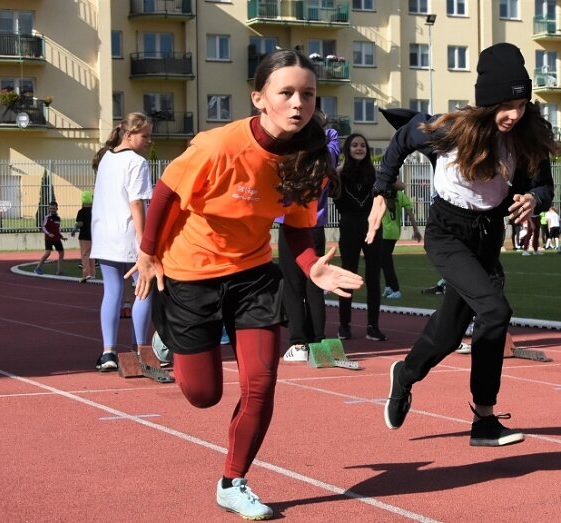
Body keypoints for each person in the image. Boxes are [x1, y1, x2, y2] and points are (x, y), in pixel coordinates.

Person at [130, 50, 363, 520]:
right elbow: (165, 195)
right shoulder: (218, 146)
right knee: (203, 396)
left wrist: (312, 266)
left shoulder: (309, 158)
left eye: (309, 94)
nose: (299, 103)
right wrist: (149, 251)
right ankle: (170, 336)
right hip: (191, 275)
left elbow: (297, 227)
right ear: (259, 98)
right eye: (287, 93)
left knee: (261, 385)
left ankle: (232, 482)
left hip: (254, 275)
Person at [366, 43, 556, 446]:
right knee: (495, 310)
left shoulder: (527, 136)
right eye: (506, 105)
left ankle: (406, 374)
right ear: (487, 103)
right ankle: (484, 420)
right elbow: (401, 139)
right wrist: (381, 192)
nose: (514, 115)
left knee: (450, 331)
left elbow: (544, 185)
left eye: (522, 104)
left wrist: (534, 199)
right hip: (447, 231)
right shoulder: (453, 129)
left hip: (488, 233)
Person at [90, 112, 155, 372]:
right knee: (143, 289)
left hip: (104, 235)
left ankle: (108, 352)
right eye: (145, 136)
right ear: (129, 135)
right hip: (128, 235)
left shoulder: (106, 157)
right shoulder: (136, 162)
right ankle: (140, 350)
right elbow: (137, 202)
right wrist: (145, 242)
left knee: (112, 292)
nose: (149, 141)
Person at [280, 121, 341, 363]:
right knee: (314, 286)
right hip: (315, 227)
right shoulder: (327, 156)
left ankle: (298, 343)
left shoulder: (291, 155)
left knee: (293, 287)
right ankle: (319, 342)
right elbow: (333, 139)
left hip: (293, 226)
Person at [333, 132, 387, 341]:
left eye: (362, 146)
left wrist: (384, 177)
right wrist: (337, 171)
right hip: (349, 226)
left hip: (373, 226)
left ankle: (373, 326)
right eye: (354, 145)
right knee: (348, 275)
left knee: (374, 277)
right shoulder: (339, 174)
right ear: (348, 149)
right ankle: (344, 325)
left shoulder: (374, 174)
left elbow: (398, 185)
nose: (359, 148)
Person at [381, 179, 422, 299]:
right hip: (394, 233)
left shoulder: (381, 194)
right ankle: (389, 287)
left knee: (386, 263)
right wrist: (415, 230)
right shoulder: (401, 195)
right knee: (383, 261)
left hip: (384, 233)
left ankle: (395, 289)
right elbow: (410, 213)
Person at [33, 200, 65, 275]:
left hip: (56, 239)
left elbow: (57, 229)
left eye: (53, 208)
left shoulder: (58, 218)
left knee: (61, 253)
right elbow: (43, 227)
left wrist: (61, 237)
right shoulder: (47, 217)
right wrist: (48, 234)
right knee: (48, 253)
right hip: (49, 239)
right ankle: (37, 268)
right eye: (50, 208)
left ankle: (59, 271)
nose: (52, 210)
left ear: (57, 208)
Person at [72, 191, 95, 283]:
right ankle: (93, 273)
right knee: (92, 255)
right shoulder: (94, 211)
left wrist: (74, 228)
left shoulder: (81, 212)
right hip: (93, 235)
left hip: (84, 236)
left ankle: (86, 274)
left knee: (85, 255)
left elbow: (80, 223)